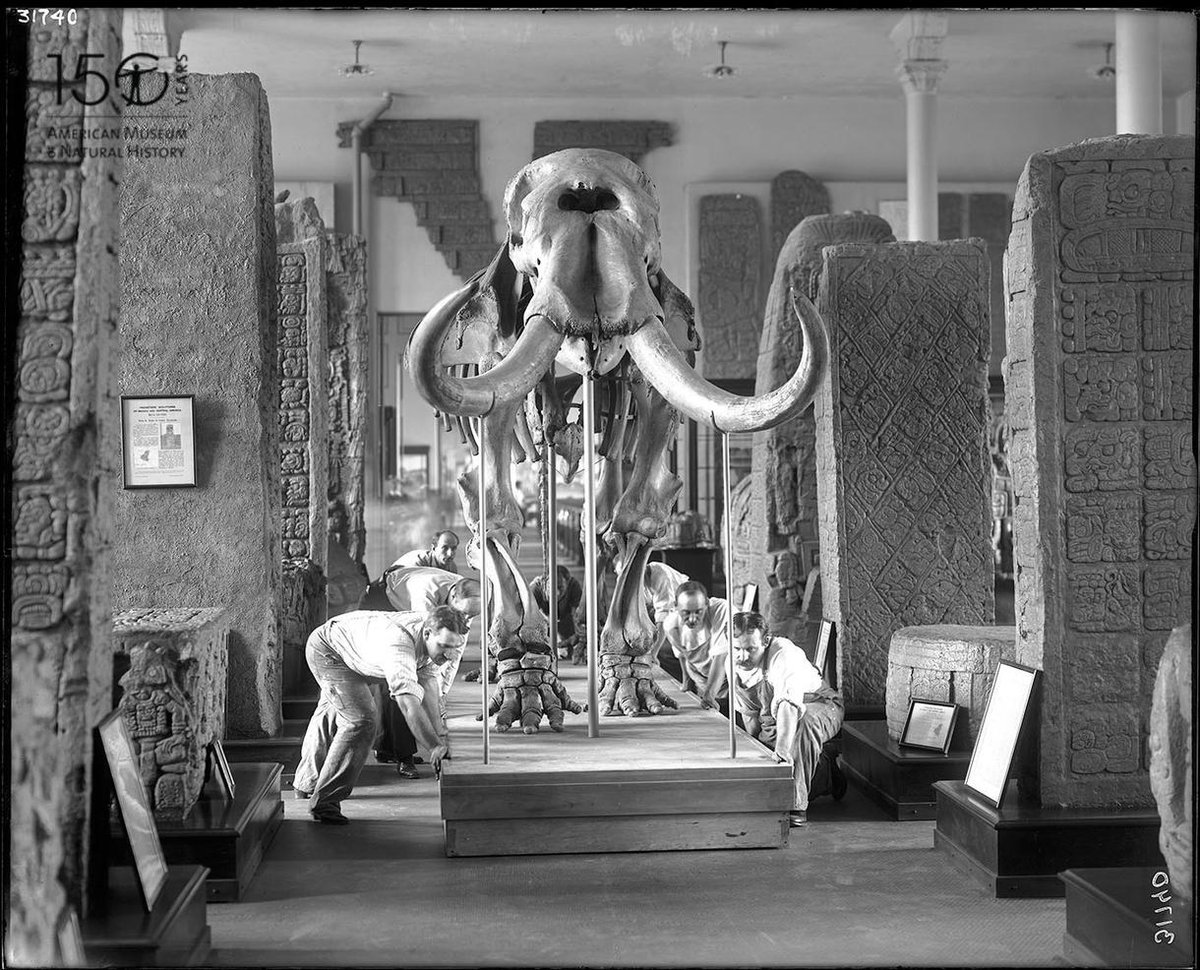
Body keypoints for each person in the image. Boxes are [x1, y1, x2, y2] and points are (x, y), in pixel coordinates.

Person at [293, 606, 468, 824]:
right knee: (361, 720)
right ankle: (325, 802)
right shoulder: (399, 646)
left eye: (455, 648)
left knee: (330, 712)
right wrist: (433, 747)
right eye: (444, 647)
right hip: (330, 651)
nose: (449, 655)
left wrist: (441, 738)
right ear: (427, 634)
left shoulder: (435, 637)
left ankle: (305, 783)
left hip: (356, 648)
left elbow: (429, 686)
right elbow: (408, 704)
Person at [357, 568, 481, 778]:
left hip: (410, 608)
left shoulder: (467, 601)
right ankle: (403, 756)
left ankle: (388, 749)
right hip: (383, 601)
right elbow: (426, 655)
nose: (466, 619)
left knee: (424, 683)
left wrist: (442, 694)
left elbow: (453, 652)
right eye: (463, 614)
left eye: (471, 616)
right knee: (403, 683)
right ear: (452, 598)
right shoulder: (425, 595)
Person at [730, 610, 846, 828]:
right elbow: (750, 717)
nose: (743, 657)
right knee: (768, 756)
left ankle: (795, 805)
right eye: (737, 649)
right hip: (772, 717)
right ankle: (826, 772)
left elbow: (789, 706)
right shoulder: (733, 663)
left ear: (765, 642)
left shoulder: (783, 653)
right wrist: (759, 754)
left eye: (750, 649)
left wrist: (782, 751)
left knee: (802, 725)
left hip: (820, 704)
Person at [660, 580, 732, 709]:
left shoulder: (721, 610)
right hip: (703, 679)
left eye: (698, 612)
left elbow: (721, 658)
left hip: (732, 678)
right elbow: (683, 655)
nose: (692, 619)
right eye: (686, 613)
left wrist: (709, 696)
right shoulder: (671, 625)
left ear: (707, 604)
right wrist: (686, 684)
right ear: (676, 606)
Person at [530, 565, 583, 662]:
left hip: (566, 619)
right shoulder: (536, 589)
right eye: (552, 587)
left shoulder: (574, 586)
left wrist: (577, 635)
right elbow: (529, 619)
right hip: (544, 620)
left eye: (560, 587)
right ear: (545, 583)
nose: (557, 593)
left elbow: (578, 616)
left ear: (568, 583)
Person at [395, 530, 460, 573]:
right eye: (445, 548)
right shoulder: (418, 564)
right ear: (433, 548)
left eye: (454, 548)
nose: (450, 554)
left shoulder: (452, 567)